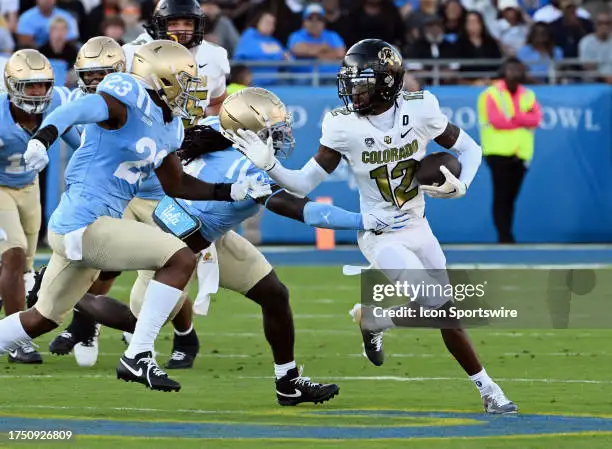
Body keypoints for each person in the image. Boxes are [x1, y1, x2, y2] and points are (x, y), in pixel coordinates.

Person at [29, 87, 410, 403]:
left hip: (207, 237)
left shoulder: (213, 129)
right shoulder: (245, 166)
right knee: (141, 320)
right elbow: (303, 211)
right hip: (173, 244)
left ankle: (287, 383)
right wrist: (365, 220)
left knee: (274, 294)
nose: (281, 136)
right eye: (272, 129)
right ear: (246, 131)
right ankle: (58, 290)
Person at [226, 39, 518, 414]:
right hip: (380, 235)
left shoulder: (421, 109)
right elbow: (302, 184)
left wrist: (463, 184)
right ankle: (490, 391)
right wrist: (271, 166)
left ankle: (376, 318)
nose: (352, 89)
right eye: (349, 79)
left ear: (387, 81)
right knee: (439, 306)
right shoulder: (342, 124)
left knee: (447, 315)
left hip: (419, 226)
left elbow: (471, 150)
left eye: (361, 80)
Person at [0, 40, 271, 392]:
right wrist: (44, 138)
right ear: (161, 78)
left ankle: (137, 351)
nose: (194, 88)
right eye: (185, 79)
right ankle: (138, 355)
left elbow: (177, 182)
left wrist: (227, 191)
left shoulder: (170, 124)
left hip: (92, 227)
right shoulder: (125, 94)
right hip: (83, 221)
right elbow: (76, 111)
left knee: (42, 319)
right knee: (178, 256)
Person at [50, 0, 232, 365]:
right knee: (104, 261)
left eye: (187, 22)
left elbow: (215, 111)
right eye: (173, 21)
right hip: (124, 184)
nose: (180, 29)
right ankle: (85, 322)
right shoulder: (132, 54)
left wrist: (196, 141)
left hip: (168, 183)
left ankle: (184, 335)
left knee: (174, 265)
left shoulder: (214, 56)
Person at [0, 49, 80, 365]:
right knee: (14, 254)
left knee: (26, 268)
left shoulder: (57, 103)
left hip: (29, 187)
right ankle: (16, 339)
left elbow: (80, 139)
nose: (36, 92)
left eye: (41, 85)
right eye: (29, 85)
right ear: (11, 85)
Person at [477, 57, 541, 243]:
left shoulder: (528, 94)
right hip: (498, 153)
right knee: (501, 195)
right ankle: (504, 235)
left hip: (521, 153)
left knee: (511, 197)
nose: (515, 73)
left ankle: (507, 232)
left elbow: (536, 119)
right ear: (504, 71)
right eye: (511, 69)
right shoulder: (491, 94)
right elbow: (497, 121)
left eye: (518, 69)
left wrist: (514, 117)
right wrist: (522, 118)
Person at [287, 3, 346, 84]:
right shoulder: (296, 35)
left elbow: (340, 53)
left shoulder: (332, 35)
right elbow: (297, 49)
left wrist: (312, 53)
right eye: (310, 18)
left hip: (331, 79)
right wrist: (324, 48)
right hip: (305, 81)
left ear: (324, 22)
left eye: (319, 19)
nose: (314, 22)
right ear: (304, 22)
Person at [234, 11, 291, 86]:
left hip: (273, 83)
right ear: (258, 22)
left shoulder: (273, 41)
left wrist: (278, 55)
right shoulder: (249, 34)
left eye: (272, 23)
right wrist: (277, 54)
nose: (270, 26)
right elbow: (252, 52)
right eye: (267, 22)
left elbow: (288, 58)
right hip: (252, 83)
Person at [455, 10, 502, 82]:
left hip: (491, 82)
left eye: (475, 22)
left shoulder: (491, 43)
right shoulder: (459, 44)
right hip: (467, 84)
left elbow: (498, 64)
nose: (472, 25)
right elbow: (457, 69)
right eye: (469, 22)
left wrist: (490, 79)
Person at [579, 11, 612, 83]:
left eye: (607, 23)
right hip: (594, 81)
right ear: (595, 25)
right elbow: (587, 65)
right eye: (600, 23)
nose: (604, 26)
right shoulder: (586, 42)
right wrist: (605, 77)